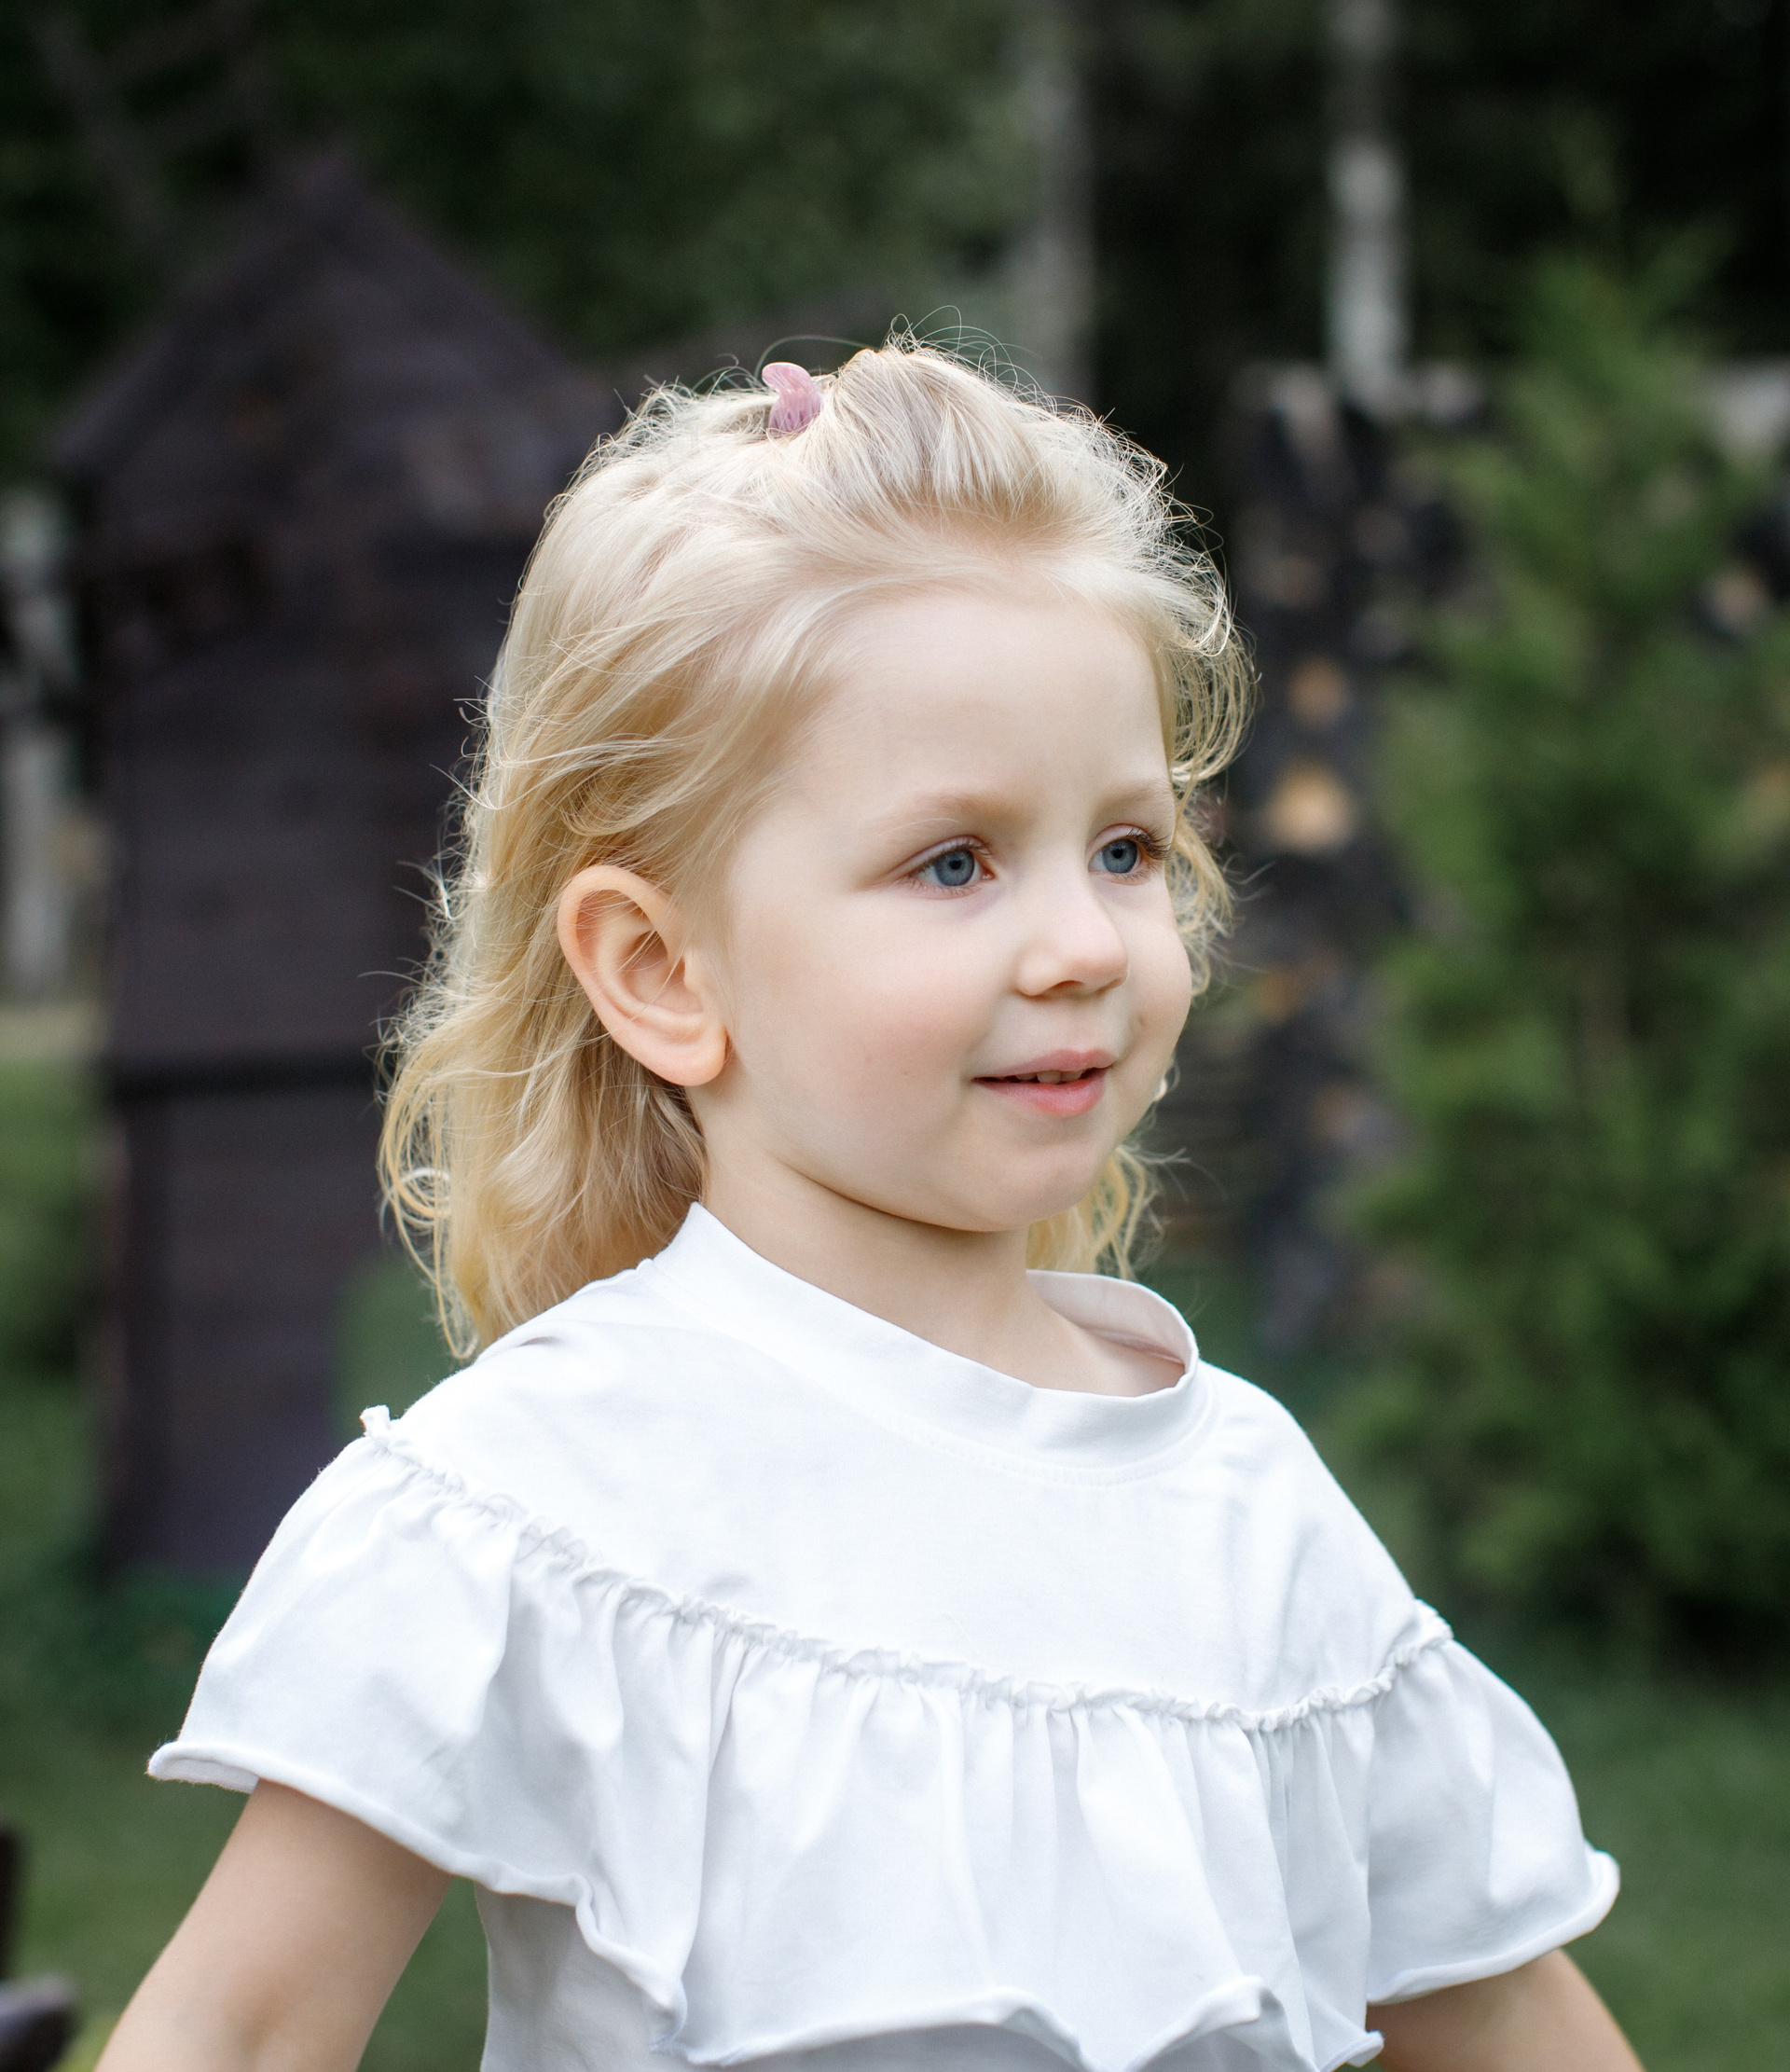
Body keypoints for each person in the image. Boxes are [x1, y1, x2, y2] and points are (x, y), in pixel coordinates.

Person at [98, 345, 1644, 2072]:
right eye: (954, 861)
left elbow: (1512, 2022)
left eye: (1126, 848)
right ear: (662, 968)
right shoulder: (538, 1498)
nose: (1082, 943)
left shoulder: (1253, 1517)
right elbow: (233, 2032)